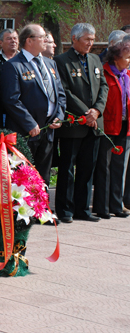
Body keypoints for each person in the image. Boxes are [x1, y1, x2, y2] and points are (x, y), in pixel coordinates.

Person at [54, 23, 109, 223]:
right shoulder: (61, 61)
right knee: (68, 168)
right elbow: (64, 91)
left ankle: (82, 209)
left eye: (93, 39)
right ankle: (65, 210)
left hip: (94, 124)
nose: (90, 43)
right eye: (87, 39)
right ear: (74, 39)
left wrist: (97, 111)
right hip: (74, 124)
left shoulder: (95, 59)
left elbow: (104, 86)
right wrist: (86, 113)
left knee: (87, 168)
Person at [0, 24, 66, 184]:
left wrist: (59, 116)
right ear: (29, 40)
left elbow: (60, 95)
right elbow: (11, 99)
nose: (47, 40)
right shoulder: (14, 66)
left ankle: (42, 208)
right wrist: (29, 123)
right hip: (26, 132)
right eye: (42, 37)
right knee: (22, 176)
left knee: (43, 176)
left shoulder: (50, 64)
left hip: (48, 130)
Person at [93, 34, 130, 219]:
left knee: (119, 166)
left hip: (124, 125)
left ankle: (117, 204)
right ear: (117, 57)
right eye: (127, 57)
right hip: (107, 126)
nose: (129, 61)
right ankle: (102, 206)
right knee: (104, 167)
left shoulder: (128, 75)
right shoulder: (105, 71)